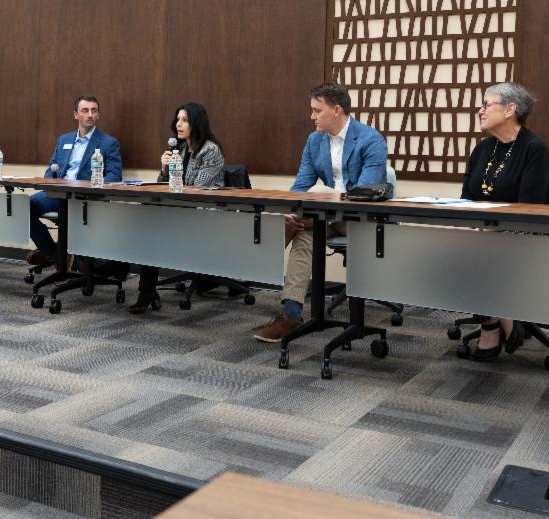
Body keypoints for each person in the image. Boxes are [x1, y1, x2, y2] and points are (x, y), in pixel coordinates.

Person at [253, 83, 388, 343]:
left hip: (358, 220)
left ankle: (249, 264)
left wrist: (322, 205)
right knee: (297, 230)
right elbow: (301, 186)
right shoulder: (315, 141)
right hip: (324, 217)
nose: (311, 116)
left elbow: (364, 195)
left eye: (317, 110)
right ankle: (292, 314)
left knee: (302, 228)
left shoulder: (371, 140)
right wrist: (292, 211)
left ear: (336, 110)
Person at [460, 83, 549, 360]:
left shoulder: (534, 149)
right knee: (451, 245)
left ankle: (492, 324)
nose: (479, 110)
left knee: (477, 252)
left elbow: (529, 209)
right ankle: (501, 317)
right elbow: (466, 198)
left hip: (528, 234)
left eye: (486, 104)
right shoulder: (483, 150)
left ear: (510, 110)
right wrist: (464, 225)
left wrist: (485, 231)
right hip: (486, 234)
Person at [129, 102, 225, 314]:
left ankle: (148, 291)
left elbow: (196, 189)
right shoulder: (179, 149)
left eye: (184, 120)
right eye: (177, 119)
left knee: (152, 227)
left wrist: (173, 175)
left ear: (196, 123)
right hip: (182, 210)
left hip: (204, 214)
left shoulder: (210, 151)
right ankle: (147, 292)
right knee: (148, 223)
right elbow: (164, 186)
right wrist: (164, 169)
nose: (178, 124)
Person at [27, 95, 122, 268]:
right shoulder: (64, 140)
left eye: (94, 111)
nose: (90, 115)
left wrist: (92, 186)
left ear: (98, 115)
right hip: (58, 194)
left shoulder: (109, 143)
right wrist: (52, 180)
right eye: (85, 111)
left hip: (84, 196)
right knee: (24, 207)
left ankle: (62, 257)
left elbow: (115, 176)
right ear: (76, 115)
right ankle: (53, 252)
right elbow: (51, 169)